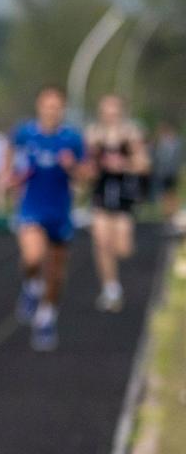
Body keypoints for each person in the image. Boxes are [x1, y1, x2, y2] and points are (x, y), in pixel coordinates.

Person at [5, 86, 85, 351]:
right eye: (47, 105)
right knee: (32, 257)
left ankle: (46, 318)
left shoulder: (71, 139)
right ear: (39, 106)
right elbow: (10, 154)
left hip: (60, 211)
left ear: (62, 109)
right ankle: (30, 284)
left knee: (57, 274)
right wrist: (9, 175)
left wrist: (72, 167)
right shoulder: (26, 133)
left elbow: (87, 173)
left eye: (56, 106)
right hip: (32, 208)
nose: (51, 111)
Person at [85, 93, 150, 312]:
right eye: (107, 111)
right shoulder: (93, 135)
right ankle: (110, 288)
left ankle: (113, 282)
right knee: (102, 241)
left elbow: (144, 165)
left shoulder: (131, 134)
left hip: (124, 195)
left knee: (122, 248)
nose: (111, 116)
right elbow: (87, 167)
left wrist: (124, 164)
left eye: (115, 111)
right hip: (101, 193)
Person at [151, 121, 182, 236]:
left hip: (171, 174)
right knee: (163, 196)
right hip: (161, 174)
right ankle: (166, 218)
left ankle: (172, 217)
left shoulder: (177, 143)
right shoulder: (160, 144)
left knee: (171, 195)